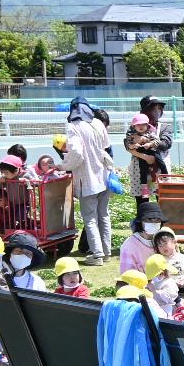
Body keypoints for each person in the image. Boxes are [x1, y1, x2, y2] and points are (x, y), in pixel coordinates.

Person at [61, 100, 116, 265]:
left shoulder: (74, 127)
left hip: (88, 179)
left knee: (90, 218)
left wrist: (63, 165)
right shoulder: (98, 123)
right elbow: (106, 145)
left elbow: (77, 153)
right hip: (104, 175)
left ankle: (97, 255)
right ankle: (106, 252)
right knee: (103, 216)